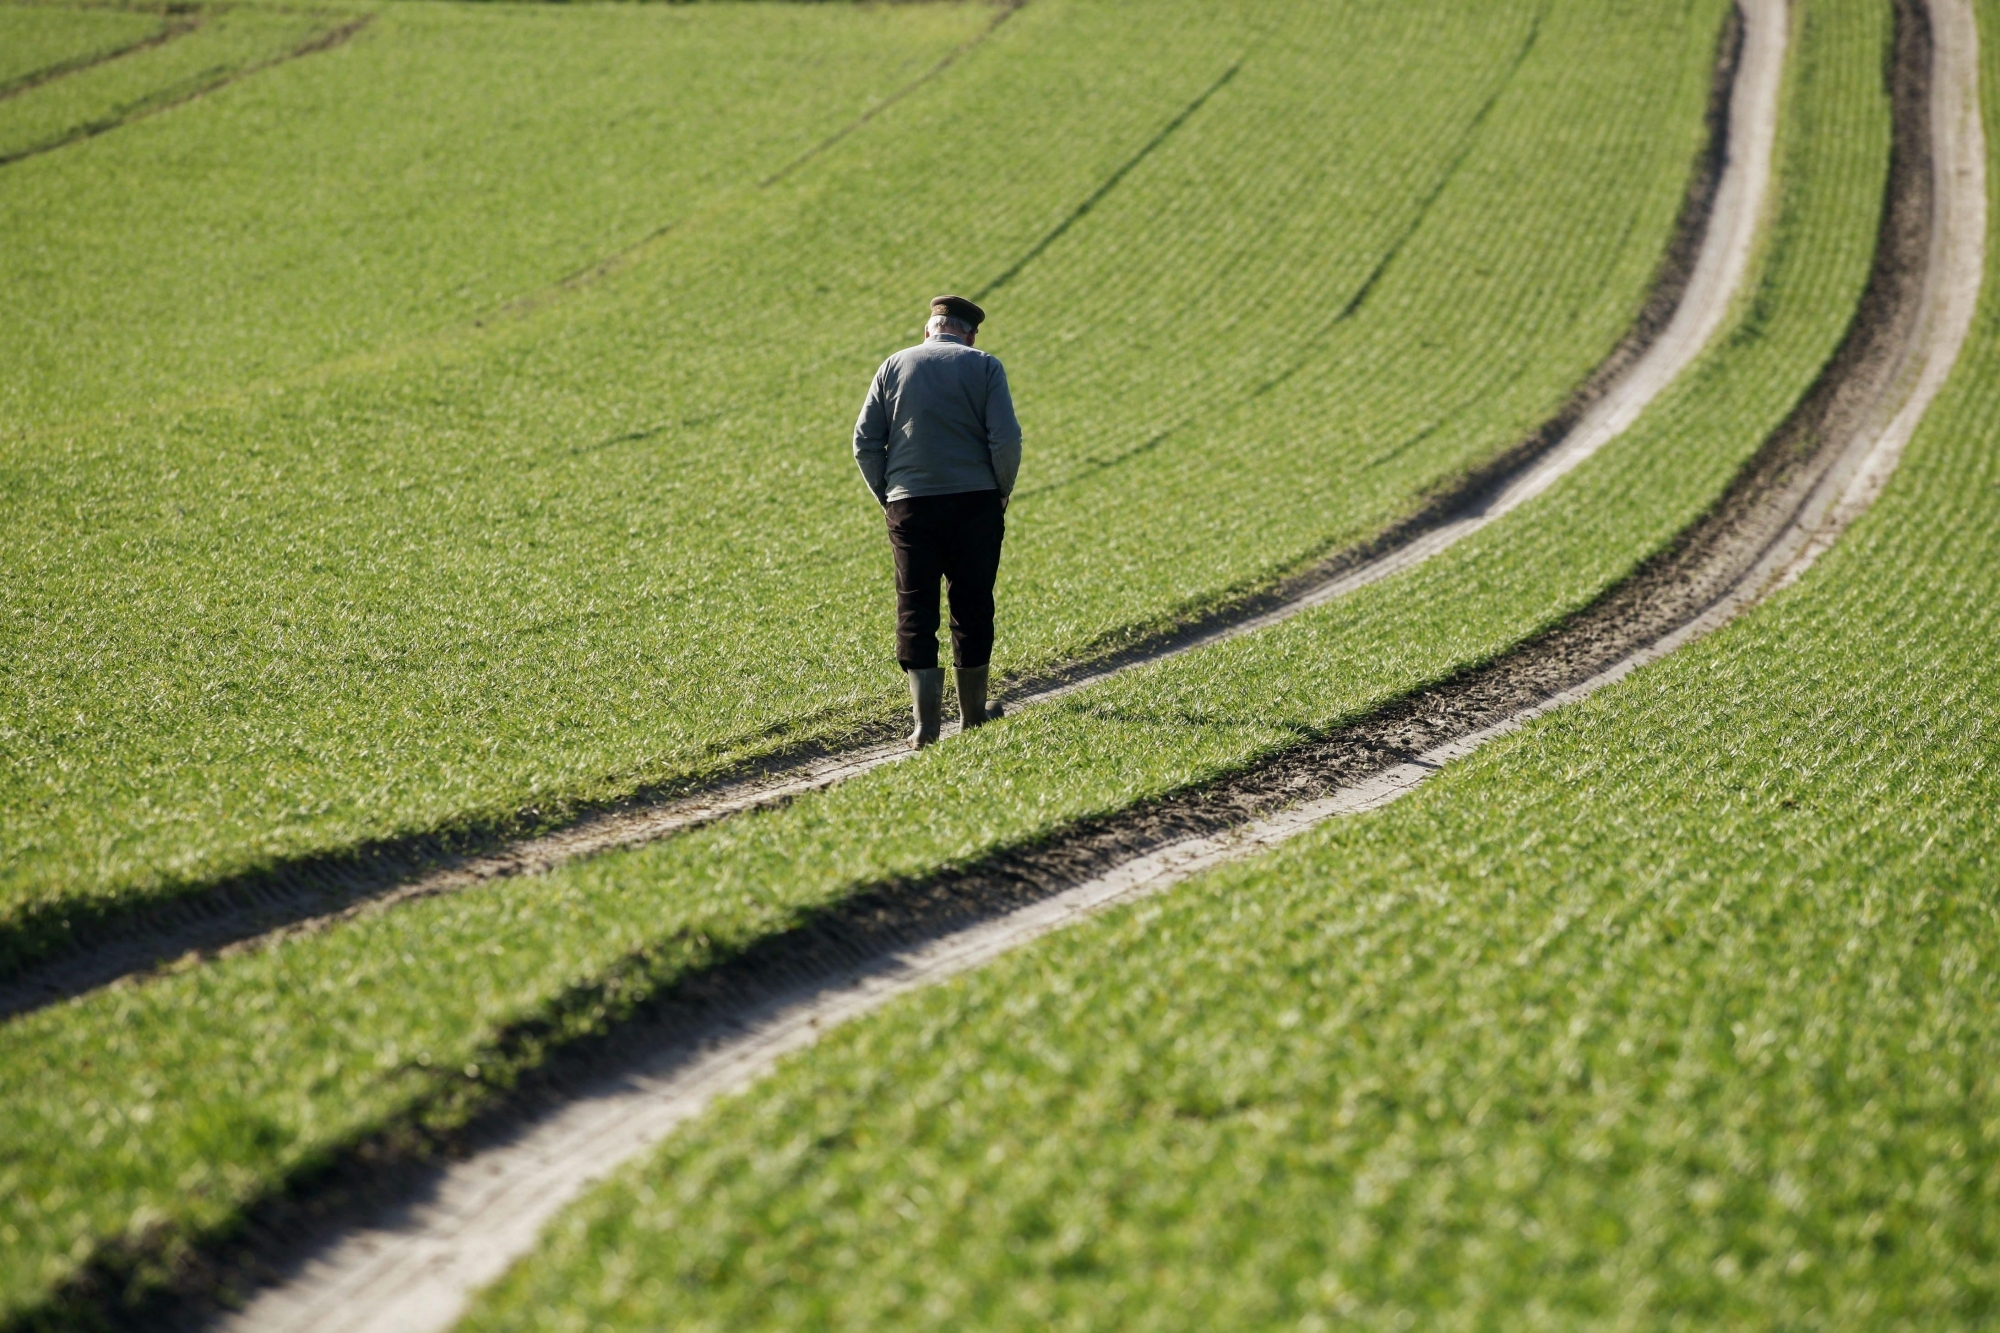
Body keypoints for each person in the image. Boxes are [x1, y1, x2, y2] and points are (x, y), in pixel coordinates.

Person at [853, 294, 1022, 748]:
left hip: (911, 505)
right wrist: (1001, 491)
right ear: (970, 333)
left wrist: (889, 496)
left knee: (915, 606)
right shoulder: (985, 366)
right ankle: (971, 718)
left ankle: (925, 727)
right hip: (976, 503)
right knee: (972, 605)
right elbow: (1006, 440)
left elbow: (865, 443)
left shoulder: (893, 366)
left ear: (928, 329)